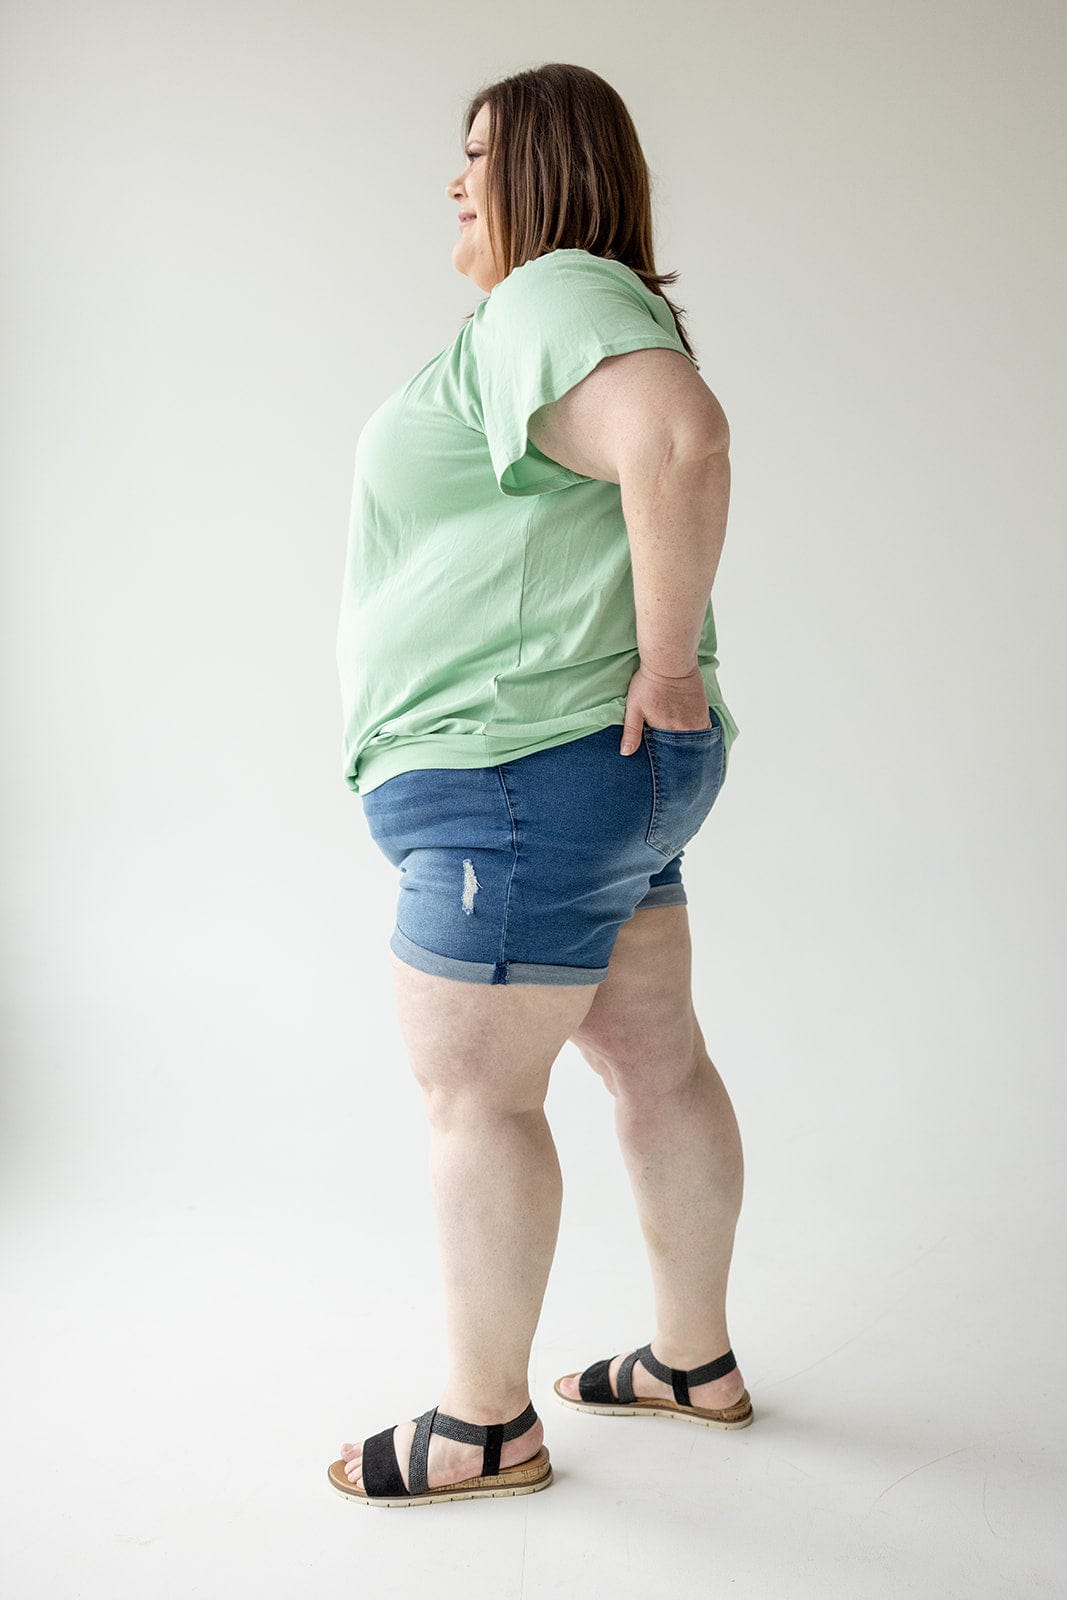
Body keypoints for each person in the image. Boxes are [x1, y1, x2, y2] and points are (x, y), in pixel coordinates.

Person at [328, 63, 750, 1509]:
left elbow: (682, 440)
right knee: (657, 1064)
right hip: (593, 781)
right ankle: (691, 1362)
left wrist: (670, 662)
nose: (455, 183)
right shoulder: (562, 313)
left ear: (551, 171)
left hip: (519, 778)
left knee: (476, 1102)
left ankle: (484, 1423)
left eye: (479, 155)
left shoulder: (552, 294)